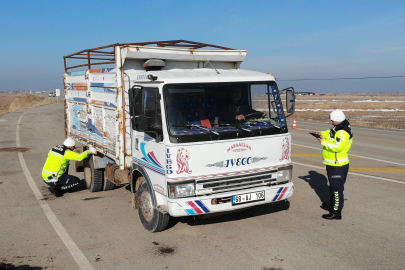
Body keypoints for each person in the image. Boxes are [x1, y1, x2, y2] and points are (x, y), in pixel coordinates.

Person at [312, 109, 353, 220]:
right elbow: (329, 133)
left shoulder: (343, 132)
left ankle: (336, 212)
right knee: (333, 188)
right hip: (332, 163)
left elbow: (338, 147)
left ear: (338, 120)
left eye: (332, 119)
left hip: (338, 165)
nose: (330, 121)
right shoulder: (337, 128)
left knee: (336, 189)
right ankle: (333, 205)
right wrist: (321, 134)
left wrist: (323, 142)